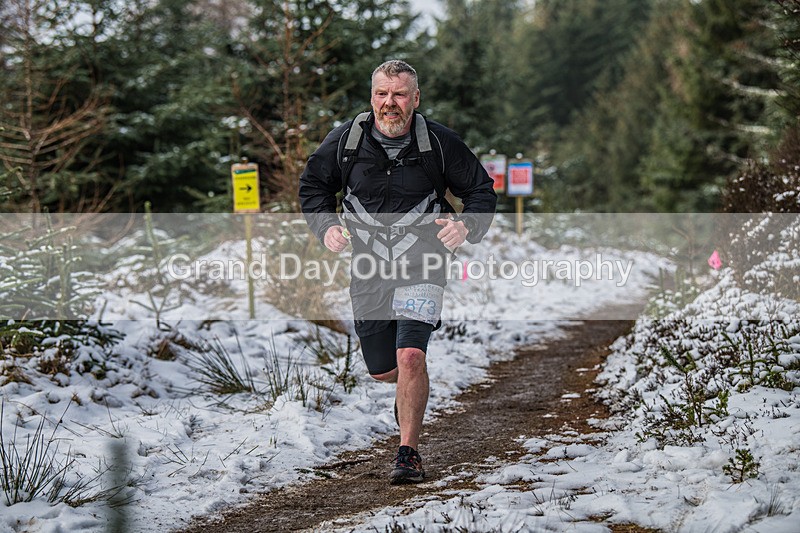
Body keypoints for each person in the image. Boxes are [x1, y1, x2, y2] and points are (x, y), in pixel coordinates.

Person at [299, 60, 496, 484]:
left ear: (415, 98)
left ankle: (408, 452)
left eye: (400, 95)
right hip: (368, 265)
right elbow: (313, 187)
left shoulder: (438, 143)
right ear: (372, 98)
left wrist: (466, 225)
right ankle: (408, 389)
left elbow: (480, 190)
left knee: (410, 356)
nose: (391, 104)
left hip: (423, 260)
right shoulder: (347, 141)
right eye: (382, 95)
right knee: (383, 368)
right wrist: (327, 225)